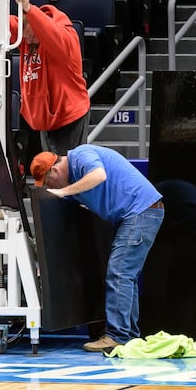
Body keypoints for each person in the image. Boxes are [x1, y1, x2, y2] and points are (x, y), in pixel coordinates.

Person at [28, 145, 164, 354]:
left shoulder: (81, 156)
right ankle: (129, 336)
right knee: (126, 276)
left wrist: (63, 192)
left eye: (47, 182)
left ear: (54, 171)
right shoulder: (75, 179)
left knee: (119, 273)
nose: (48, 187)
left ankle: (117, 337)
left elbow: (99, 176)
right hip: (141, 213)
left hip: (140, 212)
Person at [8, 0, 90, 172]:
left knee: (66, 174)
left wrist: (29, 8)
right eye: (26, 38)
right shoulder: (27, 34)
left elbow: (50, 33)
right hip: (45, 118)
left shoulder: (66, 37)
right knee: (51, 175)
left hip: (68, 116)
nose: (28, 42)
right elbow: (5, 25)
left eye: (32, 37)